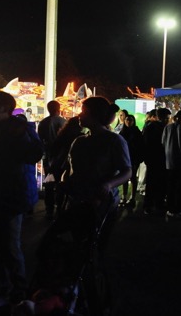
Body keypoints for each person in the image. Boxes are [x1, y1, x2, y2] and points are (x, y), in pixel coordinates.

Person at [0, 90, 44, 310]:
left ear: (4, 108)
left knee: (8, 247)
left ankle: (17, 293)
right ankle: (5, 290)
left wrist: (21, 133)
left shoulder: (19, 129)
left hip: (9, 197)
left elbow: (35, 154)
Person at [62, 97, 131, 259]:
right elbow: (70, 169)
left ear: (95, 115)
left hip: (101, 204)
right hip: (77, 200)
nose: (79, 115)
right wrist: (64, 183)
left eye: (84, 112)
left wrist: (108, 185)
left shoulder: (114, 140)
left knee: (94, 248)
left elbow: (127, 171)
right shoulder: (79, 141)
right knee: (77, 245)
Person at [37, 100, 67, 220]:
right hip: (61, 158)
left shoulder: (43, 123)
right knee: (61, 183)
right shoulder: (63, 122)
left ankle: (49, 209)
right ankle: (60, 208)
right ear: (58, 109)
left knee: (49, 183)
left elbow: (40, 140)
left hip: (48, 158)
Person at [141, 107, 171, 215]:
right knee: (157, 182)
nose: (167, 120)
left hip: (154, 159)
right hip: (158, 159)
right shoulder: (160, 128)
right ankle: (154, 204)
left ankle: (151, 205)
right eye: (166, 118)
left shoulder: (151, 127)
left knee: (153, 182)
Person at [119, 114, 144, 209]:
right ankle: (124, 196)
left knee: (133, 177)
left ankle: (132, 197)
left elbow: (140, 146)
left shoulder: (137, 132)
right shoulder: (122, 132)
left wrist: (139, 158)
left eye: (130, 120)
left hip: (134, 158)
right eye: (127, 120)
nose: (128, 121)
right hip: (124, 158)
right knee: (124, 178)